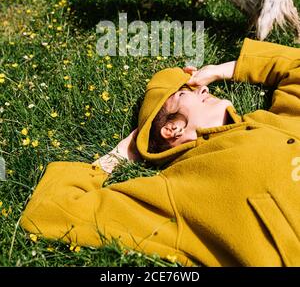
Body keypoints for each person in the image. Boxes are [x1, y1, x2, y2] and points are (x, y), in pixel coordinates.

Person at [21, 38, 300, 267]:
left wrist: (221, 69)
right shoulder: (178, 189)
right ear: (173, 129)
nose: (203, 88)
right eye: (183, 93)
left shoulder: (273, 120)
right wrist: (121, 154)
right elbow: (51, 212)